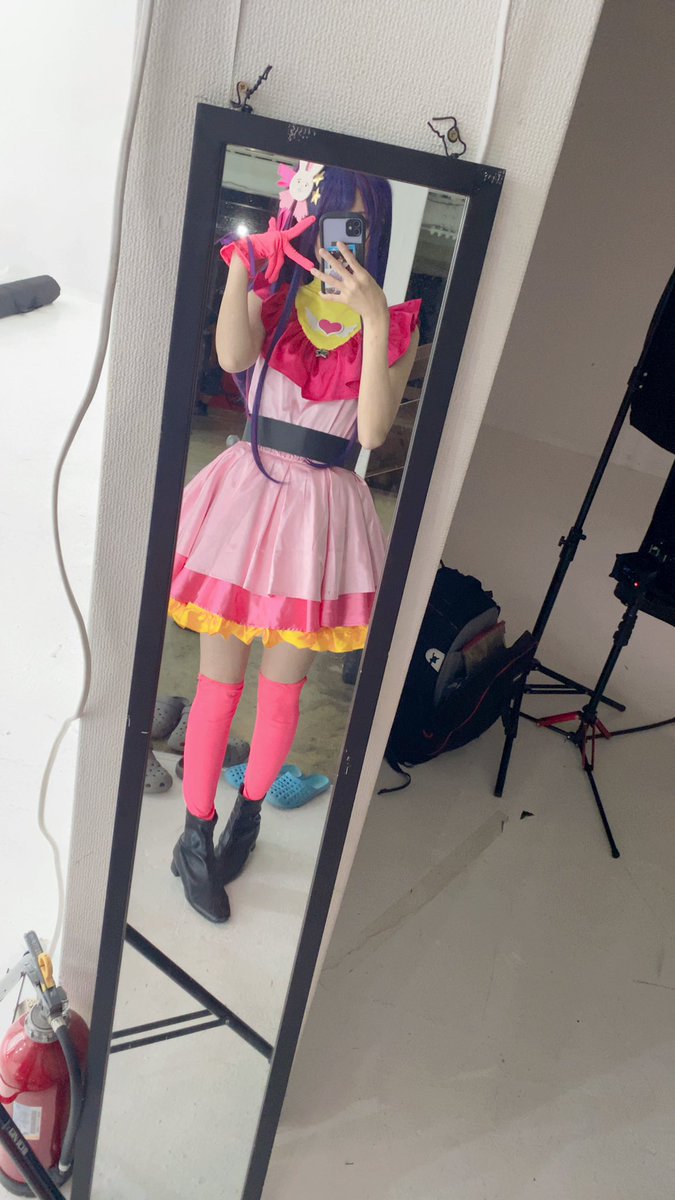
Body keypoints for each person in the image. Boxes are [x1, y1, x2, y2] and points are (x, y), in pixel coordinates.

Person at [168, 161, 421, 922]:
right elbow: (230, 358)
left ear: (376, 230)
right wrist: (246, 268)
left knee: (283, 691)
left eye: (357, 220)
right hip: (246, 496)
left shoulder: (395, 324)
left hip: (319, 519)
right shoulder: (274, 295)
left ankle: (245, 819)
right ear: (304, 219)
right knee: (219, 686)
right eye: (329, 214)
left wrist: (373, 320)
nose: (341, 233)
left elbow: (371, 432)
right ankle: (194, 835)